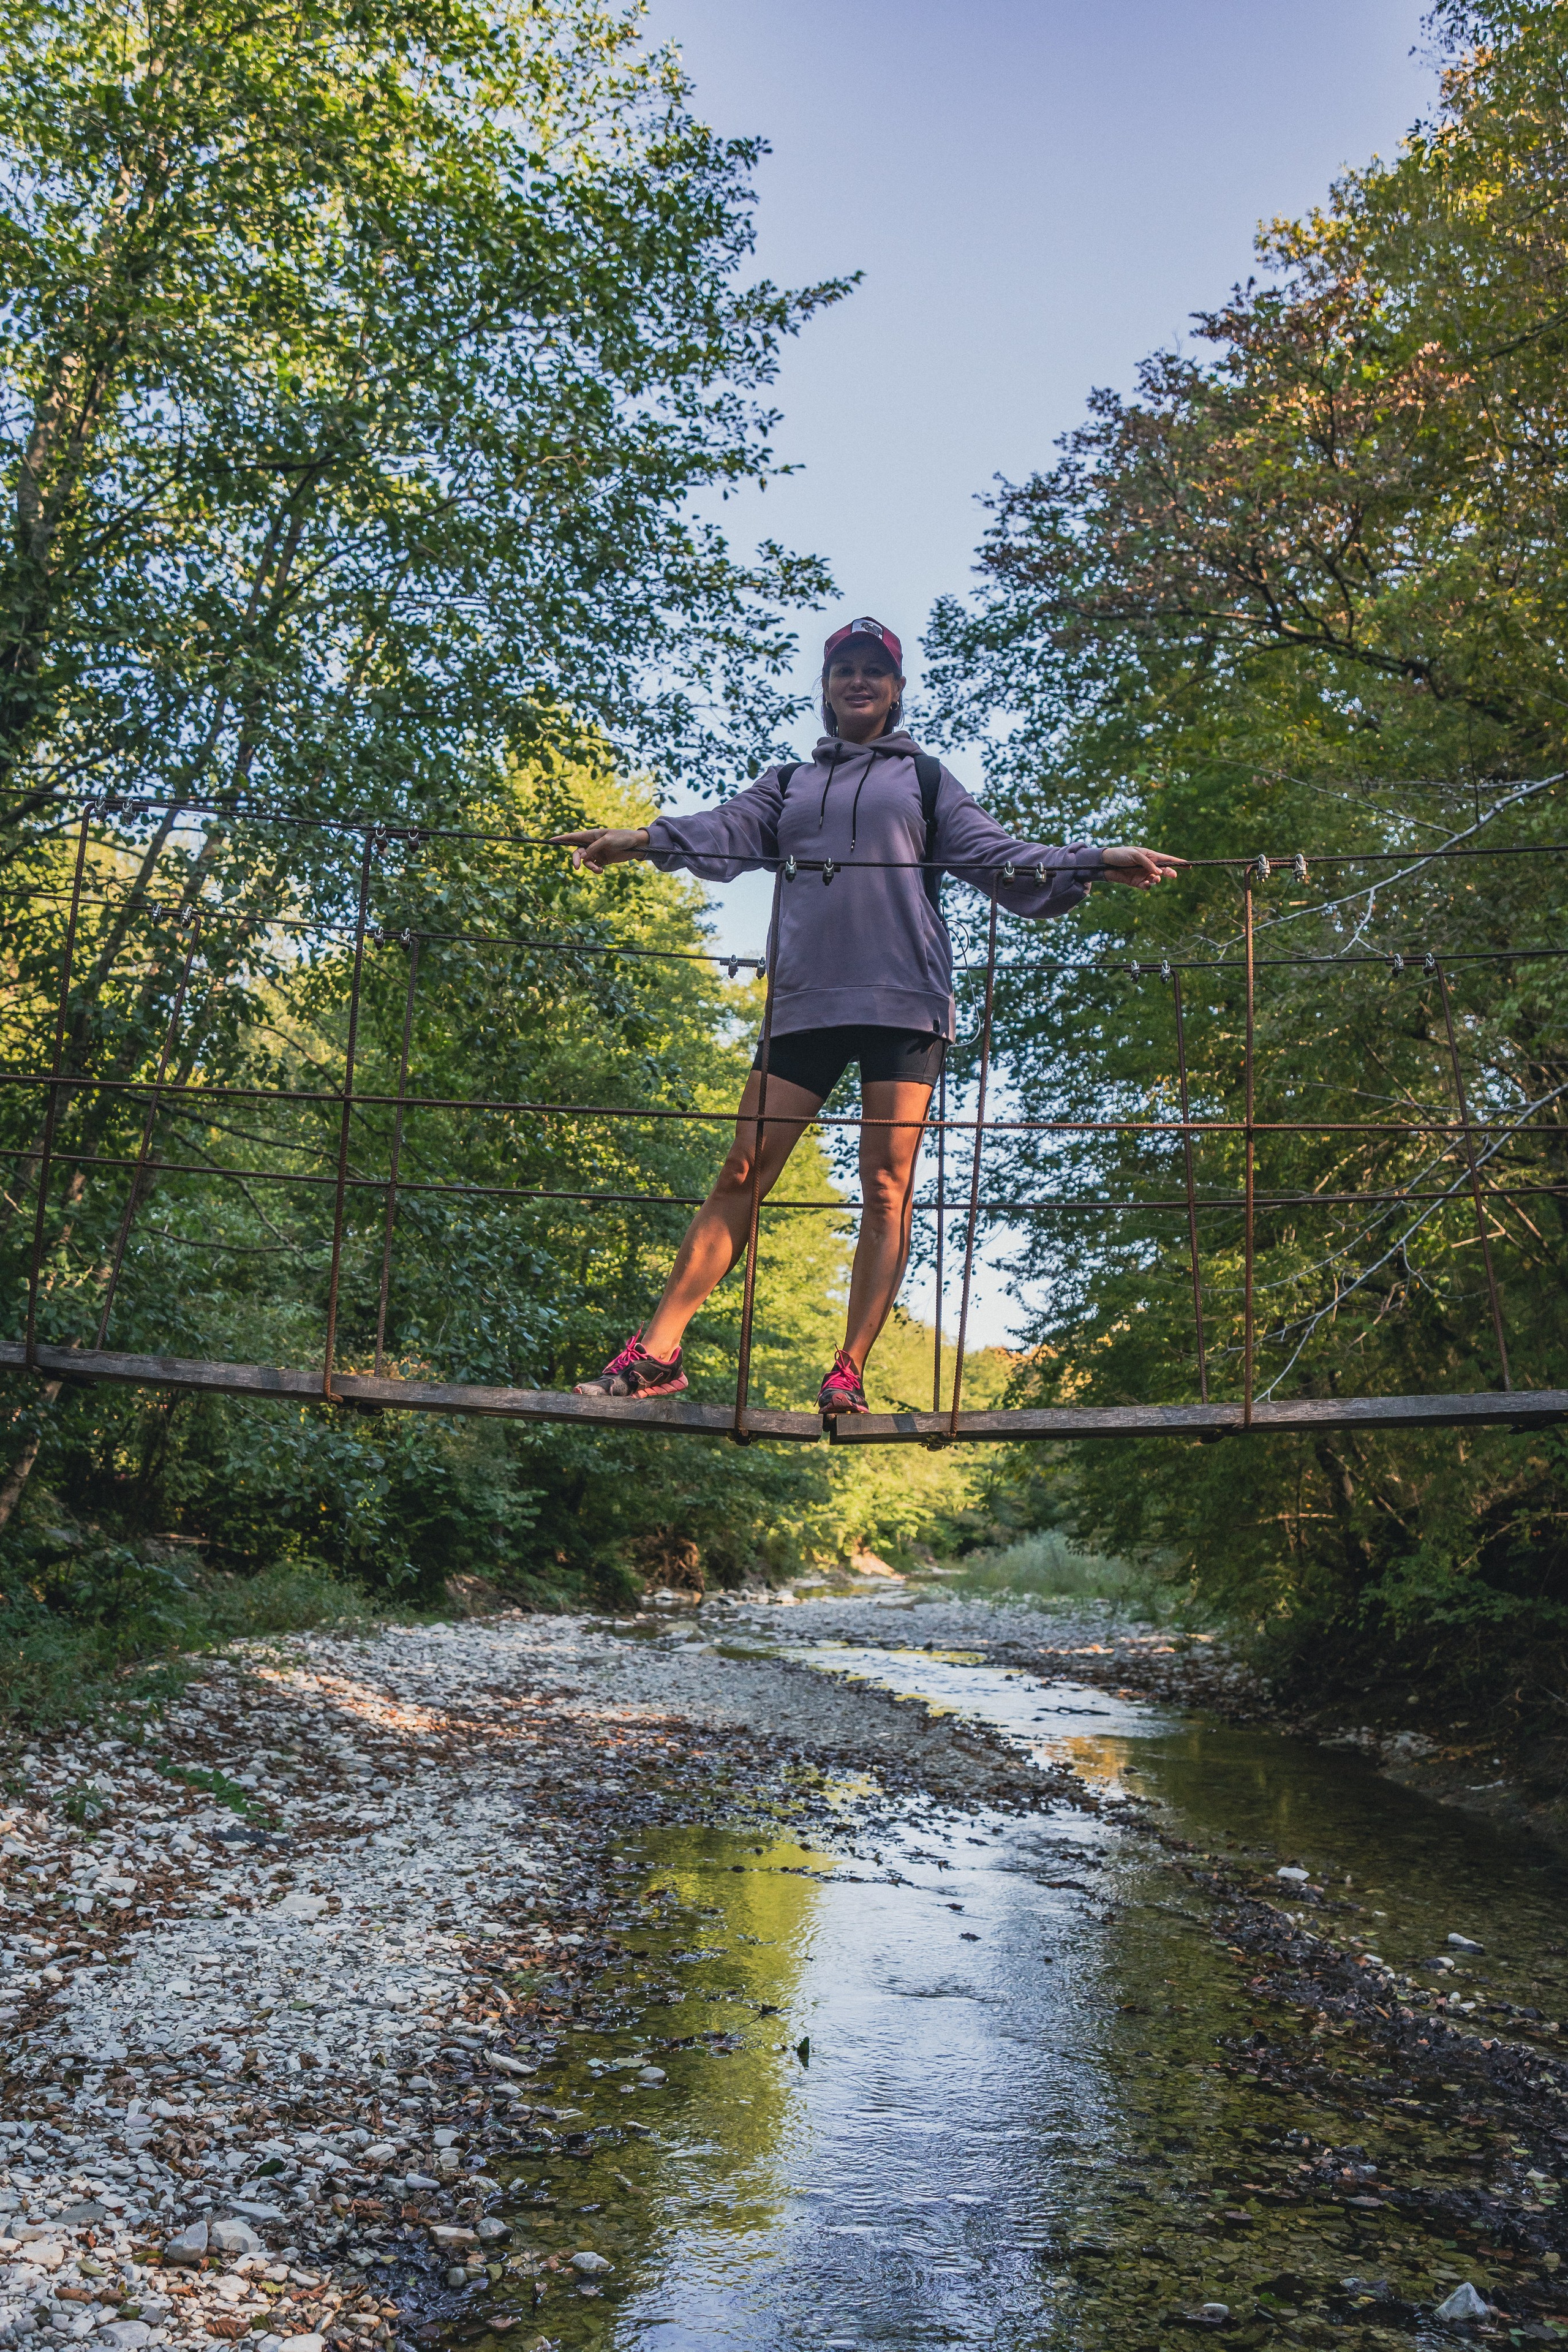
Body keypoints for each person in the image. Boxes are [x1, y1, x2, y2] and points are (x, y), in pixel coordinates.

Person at [556, 616, 1182, 1415]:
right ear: (826, 689)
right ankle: (656, 1356)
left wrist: (1092, 860)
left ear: (895, 691)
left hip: (903, 1003)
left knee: (886, 1185)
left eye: (874, 672)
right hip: (806, 1002)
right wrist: (636, 839)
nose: (859, 681)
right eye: (844, 669)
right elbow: (722, 832)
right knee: (743, 1169)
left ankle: (847, 1369)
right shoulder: (787, 784)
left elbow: (995, 855)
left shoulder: (924, 781)